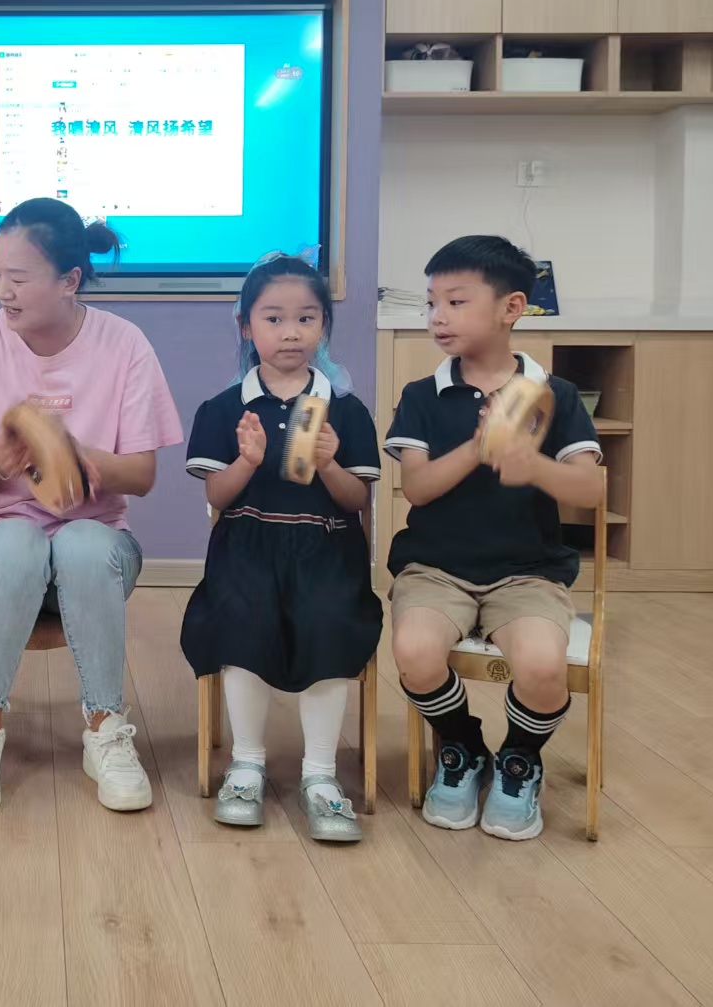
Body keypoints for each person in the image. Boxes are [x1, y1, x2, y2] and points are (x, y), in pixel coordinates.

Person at [0, 197, 183, 814]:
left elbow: (142, 476)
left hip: (94, 550)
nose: (2, 291)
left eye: (17, 278)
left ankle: (106, 729)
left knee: (81, 542)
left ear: (69, 280)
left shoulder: (125, 344)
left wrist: (76, 456)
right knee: (18, 542)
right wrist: (2, 460)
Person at [386, 236, 603, 841]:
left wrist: (531, 464)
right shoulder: (422, 396)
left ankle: (519, 759)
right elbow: (418, 488)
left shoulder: (555, 395)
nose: (438, 316)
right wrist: (480, 448)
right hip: (435, 568)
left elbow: (589, 489)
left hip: (528, 572)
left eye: (456, 302)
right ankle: (462, 748)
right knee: (414, 653)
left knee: (541, 666)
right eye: (431, 302)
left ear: (511, 308)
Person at [179, 254, 382, 839]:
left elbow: (357, 500)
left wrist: (330, 463)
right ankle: (246, 766)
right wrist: (246, 461)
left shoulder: (346, 410)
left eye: (306, 319)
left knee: (329, 618)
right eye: (273, 319)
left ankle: (321, 775)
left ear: (323, 327)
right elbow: (218, 495)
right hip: (247, 546)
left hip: (327, 549)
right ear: (246, 326)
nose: (290, 332)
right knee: (242, 615)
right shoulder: (224, 408)